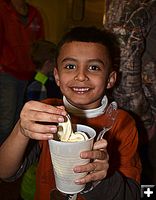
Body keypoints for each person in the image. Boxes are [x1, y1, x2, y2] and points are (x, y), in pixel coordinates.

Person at [0, 26, 141, 200]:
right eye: (71, 66)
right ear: (57, 77)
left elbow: (132, 195)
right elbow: (5, 172)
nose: (81, 76)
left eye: (94, 67)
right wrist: (21, 130)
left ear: (110, 79)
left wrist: (101, 181)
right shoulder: (46, 114)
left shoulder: (122, 124)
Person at [104, 0, 156, 184]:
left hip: (143, 112)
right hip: (146, 114)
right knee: (144, 180)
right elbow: (124, 58)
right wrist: (142, 119)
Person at [0, 0, 45, 144]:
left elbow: (40, 42)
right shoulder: (2, 9)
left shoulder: (35, 13)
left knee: (17, 120)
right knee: (6, 122)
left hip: (27, 72)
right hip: (7, 72)